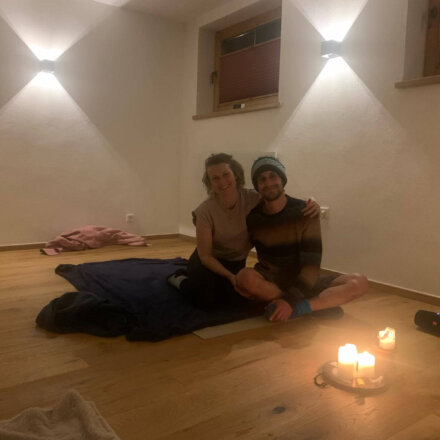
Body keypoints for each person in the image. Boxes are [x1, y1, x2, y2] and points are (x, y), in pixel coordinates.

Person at [168, 153, 320, 309]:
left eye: (226, 174)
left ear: (235, 174)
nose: (222, 181)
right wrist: (230, 276)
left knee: (235, 300)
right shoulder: (204, 211)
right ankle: (179, 279)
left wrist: (310, 203)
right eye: (215, 178)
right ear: (210, 183)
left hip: (236, 262)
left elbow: (277, 195)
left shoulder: (253, 198)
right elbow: (205, 256)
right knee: (205, 299)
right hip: (209, 262)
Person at [235, 156, 368, 321]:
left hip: (305, 280)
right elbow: (239, 248)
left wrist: (289, 300)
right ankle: (312, 305)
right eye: (262, 179)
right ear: (257, 186)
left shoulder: (305, 212)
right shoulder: (254, 218)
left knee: (359, 282)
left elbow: (312, 266)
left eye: (272, 176)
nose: (268, 183)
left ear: (282, 179)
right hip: (272, 282)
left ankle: (295, 308)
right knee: (244, 277)